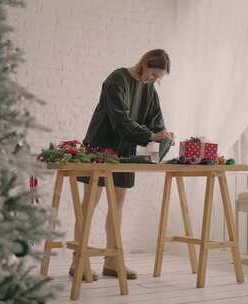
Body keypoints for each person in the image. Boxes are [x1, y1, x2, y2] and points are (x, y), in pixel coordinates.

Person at [71, 49, 175, 281]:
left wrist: (164, 135)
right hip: (101, 147)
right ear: (144, 63)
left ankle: (113, 262)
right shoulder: (117, 79)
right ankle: (79, 261)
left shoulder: (150, 89)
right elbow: (121, 121)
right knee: (90, 203)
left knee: (117, 204)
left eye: (159, 77)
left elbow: (156, 121)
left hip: (125, 152)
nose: (154, 80)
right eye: (153, 74)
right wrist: (151, 135)